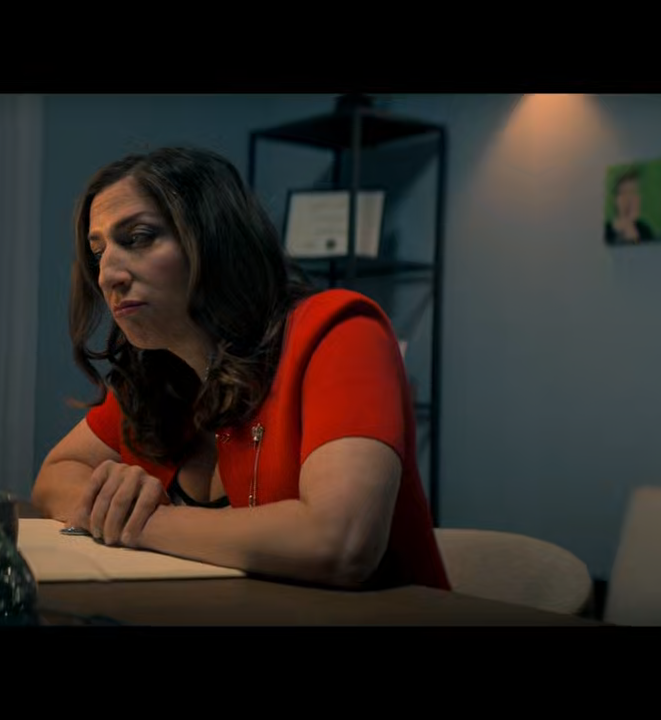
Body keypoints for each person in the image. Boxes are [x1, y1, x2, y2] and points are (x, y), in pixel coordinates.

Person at [30, 146, 449, 591]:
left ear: (215, 238)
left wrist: (142, 522)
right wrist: (116, 503)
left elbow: (340, 543)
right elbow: (56, 474)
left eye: (138, 237)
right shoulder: (161, 374)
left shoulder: (340, 331)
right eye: (98, 252)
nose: (107, 275)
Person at [605, 167, 657, 243]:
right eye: (624, 193)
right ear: (615, 200)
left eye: (633, 193)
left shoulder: (646, 232)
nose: (630, 199)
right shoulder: (605, 232)